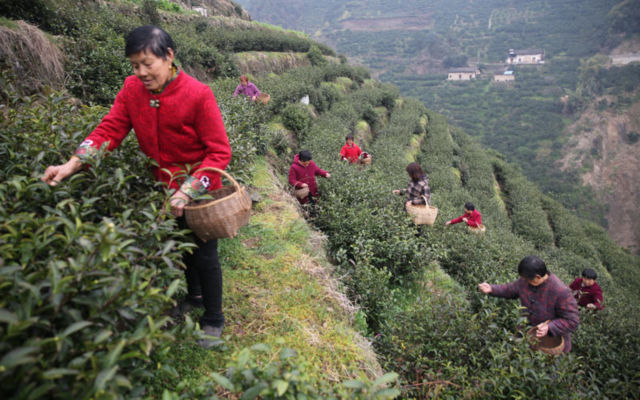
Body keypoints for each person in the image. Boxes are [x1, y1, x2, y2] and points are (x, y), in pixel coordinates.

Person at [41, 25, 231, 349]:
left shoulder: (198, 94)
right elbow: (109, 130)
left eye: (147, 64)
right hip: (162, 186)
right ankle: (194, 297)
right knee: (181, 245)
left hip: (199, 187)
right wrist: (71, 164)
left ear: (168, 56)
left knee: (204, 252)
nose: (141, 72)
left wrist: (187, 190)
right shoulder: (132, 89)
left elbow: (219, 152)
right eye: (134, 65)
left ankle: (214, 317)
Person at [478, 255, 579, 353]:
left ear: (538, 277)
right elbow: (510, 289)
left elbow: (572, 321)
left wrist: (550, 326)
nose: (524, 281)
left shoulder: (561, 291)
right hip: (527, 331)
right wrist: (492, 289)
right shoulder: (526, 281)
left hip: (551, 342)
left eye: (527, 279)